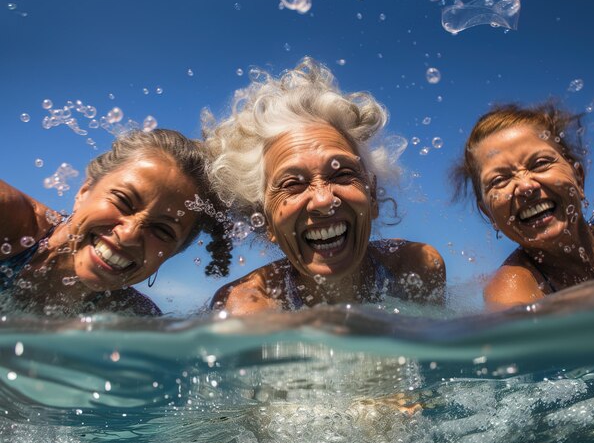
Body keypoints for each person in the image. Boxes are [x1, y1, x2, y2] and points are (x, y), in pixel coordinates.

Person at [202, 57, 446, 316]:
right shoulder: (246, 308)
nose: (323, 200)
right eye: (292, 184)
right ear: (266, 221)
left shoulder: (414, 267)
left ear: (371, 196)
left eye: (342, 175)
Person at [0, 128, 232, 315]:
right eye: (123, 201)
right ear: (84, 191)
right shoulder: (8, 221)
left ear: (172, 253)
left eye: (163, 230)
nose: (129, 234)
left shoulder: (136, 320)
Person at [452, 102, 594, 310]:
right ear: (488, 214)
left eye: (540, 164)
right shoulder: (512, 291)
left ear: (578, 179)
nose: (526, 186)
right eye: (499, 180)